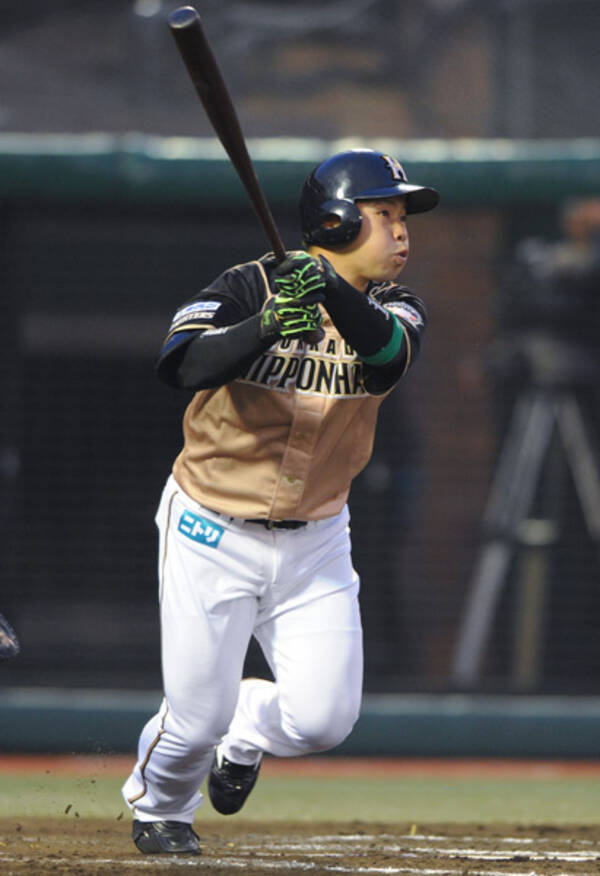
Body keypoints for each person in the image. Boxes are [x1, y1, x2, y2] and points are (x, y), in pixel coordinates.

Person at [122, 148, 439, 855]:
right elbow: (178, 363)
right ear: (335, 220)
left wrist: (329, 293)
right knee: (194, 721)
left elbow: (388, 357)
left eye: (403, 217)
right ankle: (161, 809)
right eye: (384, 214)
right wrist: (265, 325)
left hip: (316, 538)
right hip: (211, 525)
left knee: (323, 720)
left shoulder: (397, 305)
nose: (401, 231)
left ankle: (246, 731)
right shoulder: (249, 285)